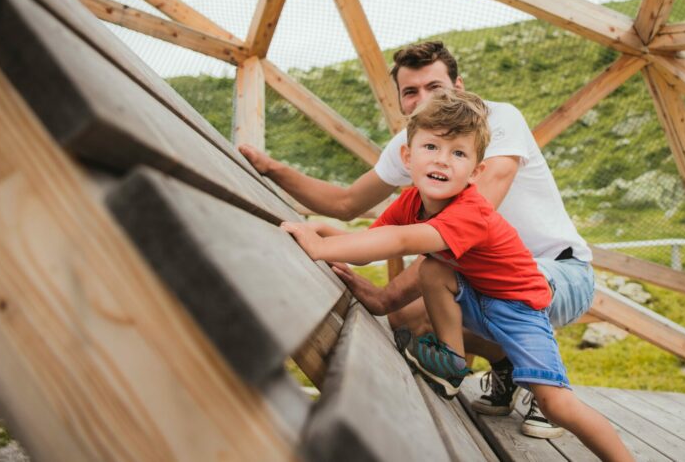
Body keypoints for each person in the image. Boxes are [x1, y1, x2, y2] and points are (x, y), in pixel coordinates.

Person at [239, 41, 594, 438]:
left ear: (459, 87)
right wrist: (273, 170)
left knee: (415, 306)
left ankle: (542, 383)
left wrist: (386, 295)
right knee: (407, 321)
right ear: (402, 104)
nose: (423, 98)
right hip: (483, 277)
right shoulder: (413, 145)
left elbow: (457, 234)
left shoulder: (497, 121)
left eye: (435, 87)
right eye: (411, 91)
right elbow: (345, 202)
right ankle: (508, 367)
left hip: (558, 275)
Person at [280, 91, 632, 462]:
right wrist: (318, 231)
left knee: (556, 403)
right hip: (478, 299)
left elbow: (399, 240)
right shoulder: (412, 201)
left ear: (476, 171)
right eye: (431, 146)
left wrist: (319, 248)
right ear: (407, 156)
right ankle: (453, 361)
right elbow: (371, 240)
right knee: (434, 268)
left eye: (459, 153)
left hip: (520, 308)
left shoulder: (470, 211)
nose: (443, 161)